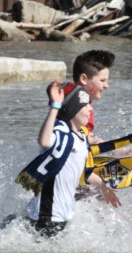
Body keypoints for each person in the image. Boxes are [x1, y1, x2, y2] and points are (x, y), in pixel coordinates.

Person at [16, 82, 121, 238]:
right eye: (86, 106)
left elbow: (82, 172)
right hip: (46, 214)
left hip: (62, 214)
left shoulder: (81, 138)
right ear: (74, 109)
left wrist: (104, 186)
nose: (90, 110)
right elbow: (44, 142)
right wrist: (55, 107)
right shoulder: (61, 130)